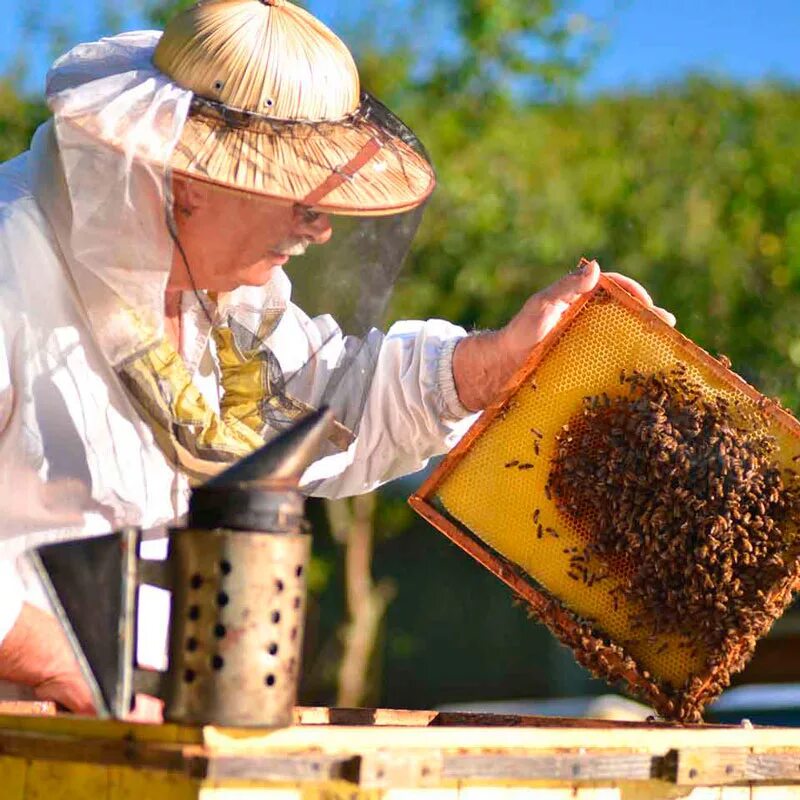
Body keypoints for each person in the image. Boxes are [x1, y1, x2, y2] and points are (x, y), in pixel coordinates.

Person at [0, 0, 673, 715]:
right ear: (189, 176)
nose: (319, 228)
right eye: (296, 194)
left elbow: (317, 408)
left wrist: (494, 365)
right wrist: (53, 655)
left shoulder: (212, 288)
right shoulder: (13, 264)